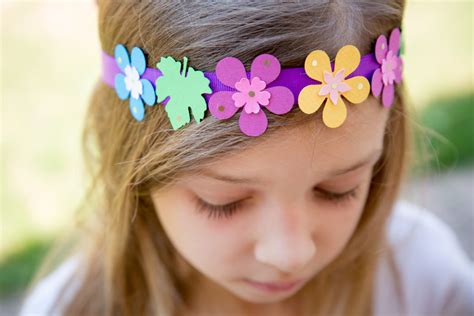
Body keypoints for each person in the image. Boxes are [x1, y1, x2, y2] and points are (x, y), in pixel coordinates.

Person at [20, 1, 473, 315]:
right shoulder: (68, 309)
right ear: (134, 161)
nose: (290, 253)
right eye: (224, 201)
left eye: (339, 190)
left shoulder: (424, 282)